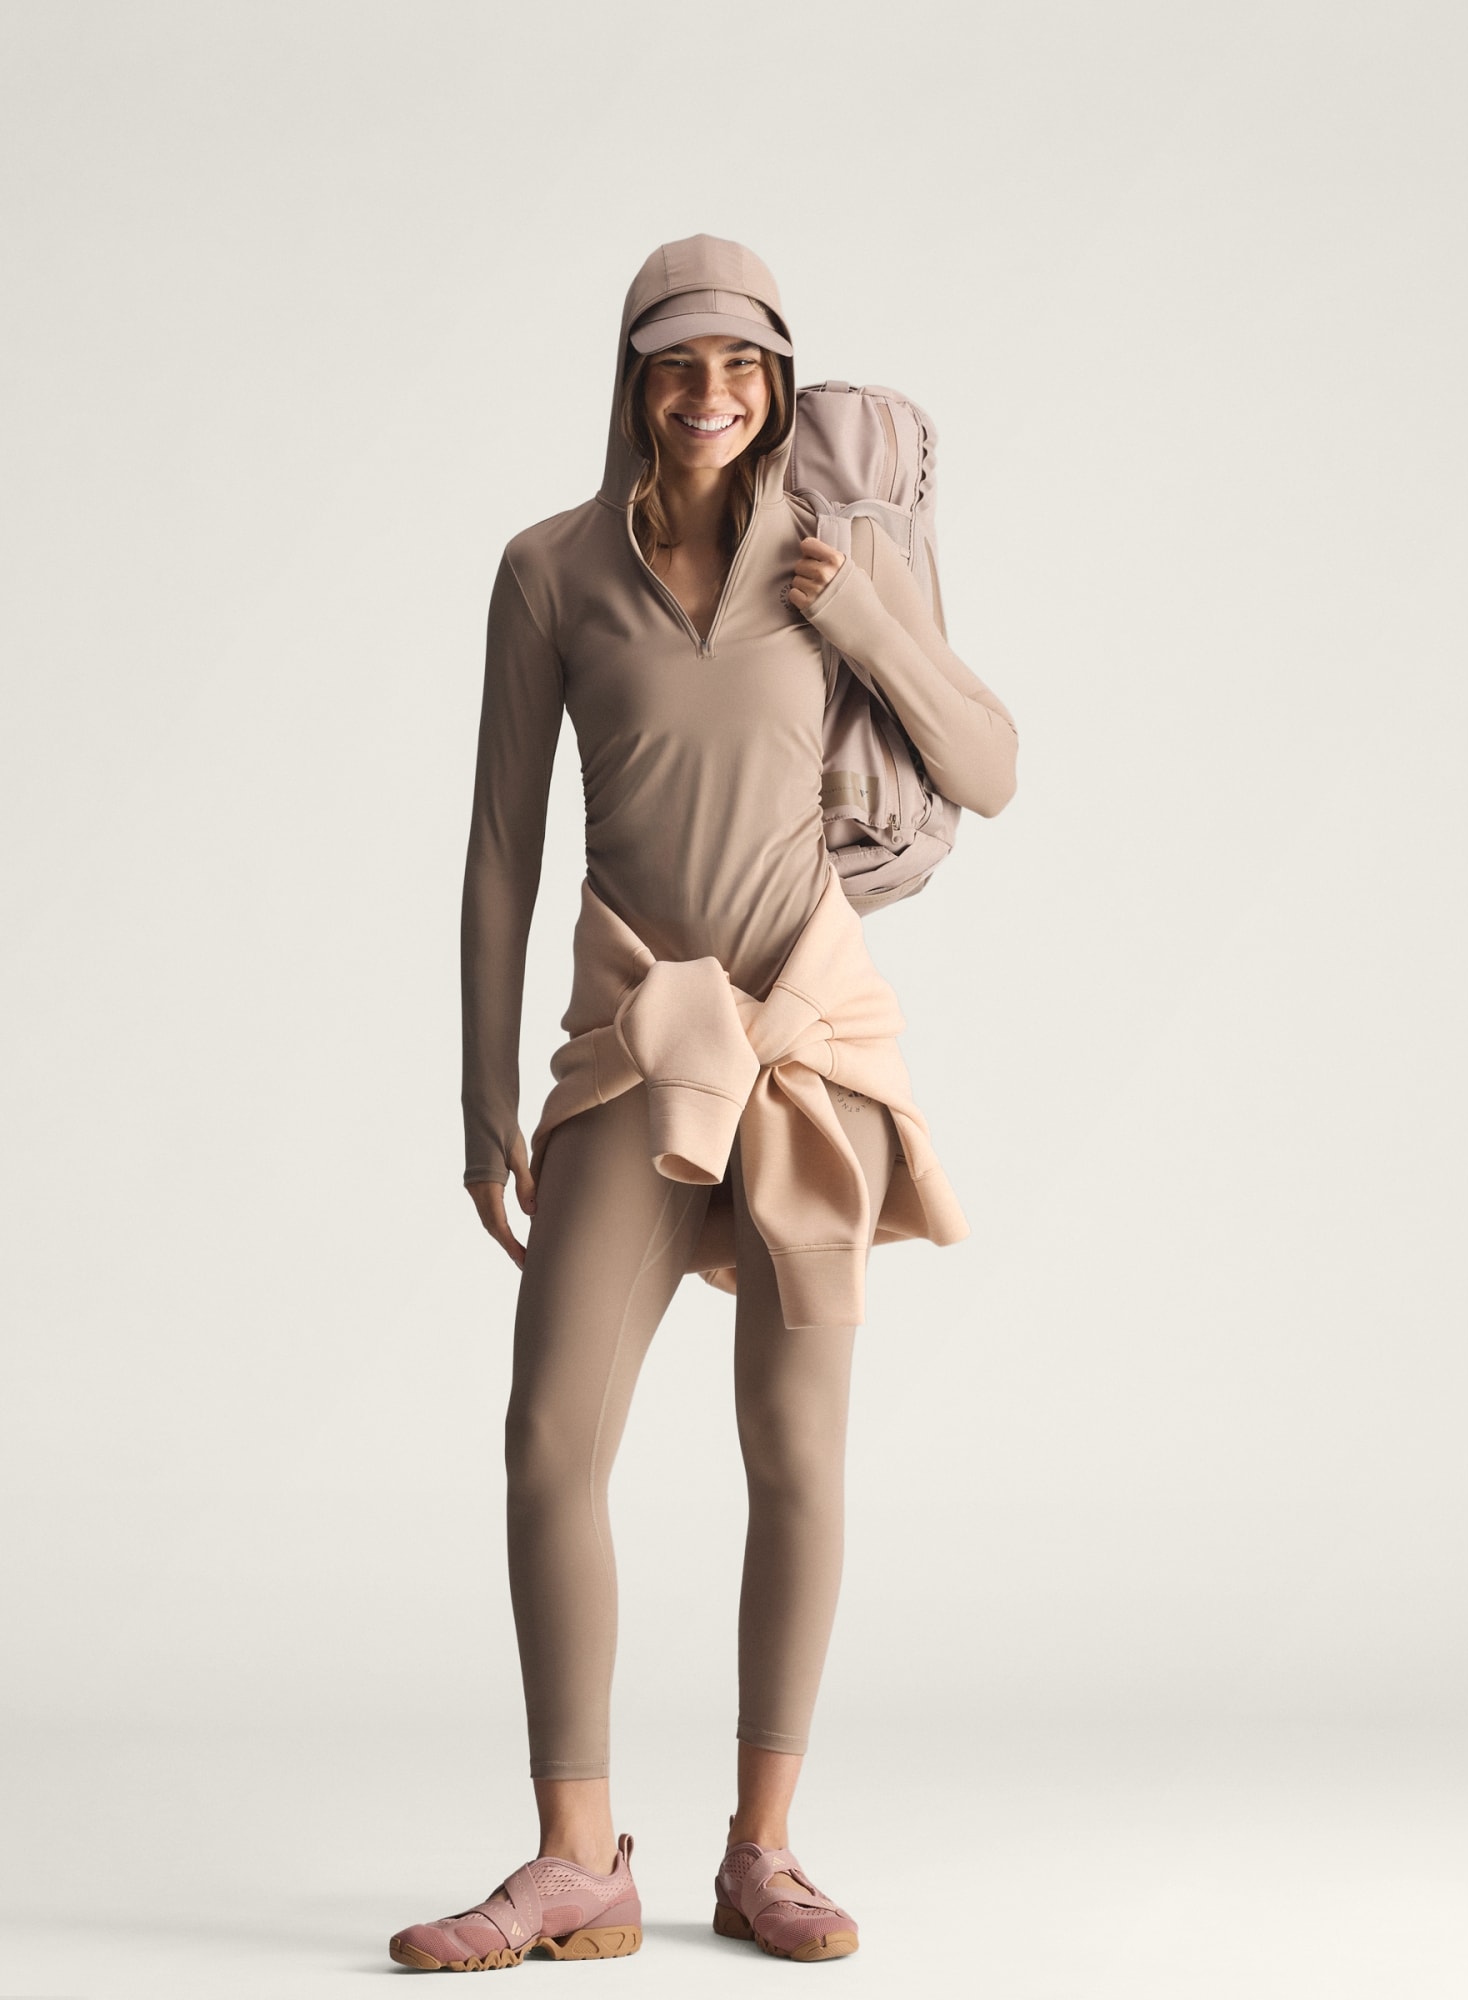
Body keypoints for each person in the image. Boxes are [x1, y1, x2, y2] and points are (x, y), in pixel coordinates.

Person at [389, 235, 1017, 1973]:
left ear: (780, 379)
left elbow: (990, 767)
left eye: (743, 363)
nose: (711, 393)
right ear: (633, 377)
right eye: (679, 362)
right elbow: (501, 845)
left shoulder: (837, 554)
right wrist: (483, 1087)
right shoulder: (548, 571)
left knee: (794, 1452)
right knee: (547, 1444)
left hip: (808, 1052)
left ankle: (764, 1851)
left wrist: (864, 617)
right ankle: (575, 1861)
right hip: (634, 1048)